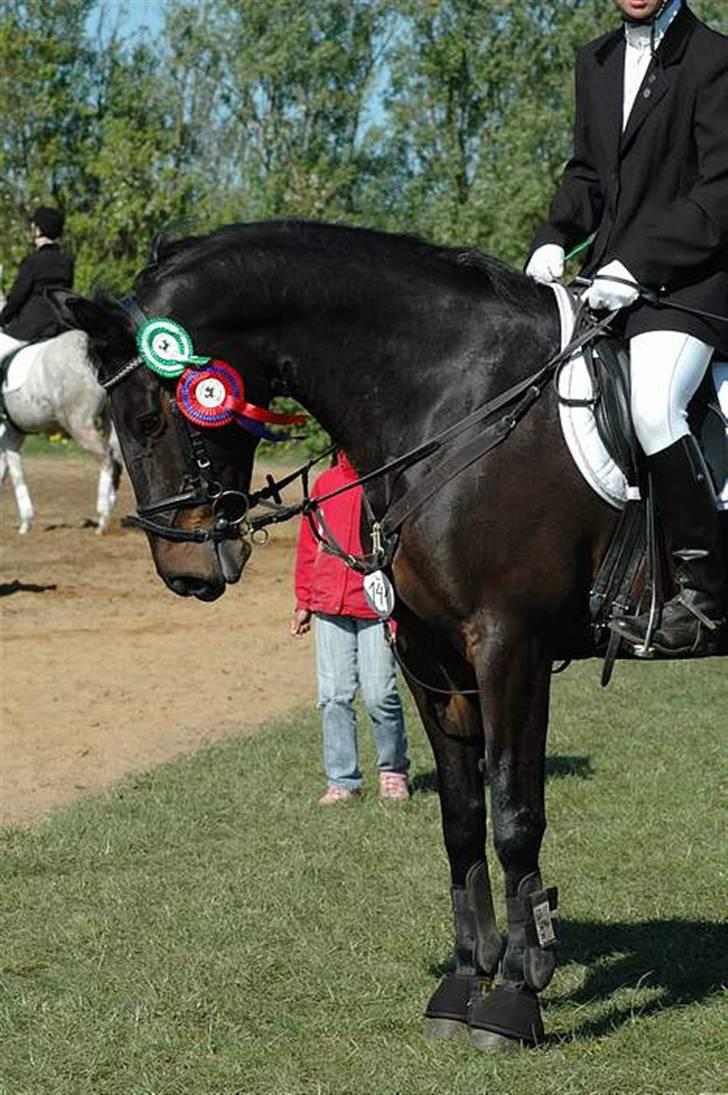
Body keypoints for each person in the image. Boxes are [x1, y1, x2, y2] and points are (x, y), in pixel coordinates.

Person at [525, 0, 728, 656]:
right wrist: (555, 235)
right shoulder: (597, 60)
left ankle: (704, 596)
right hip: (608, 284)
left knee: (652, 407)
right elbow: (588, 173)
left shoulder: (715, 59)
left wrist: (638, 264)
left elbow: (718, 194)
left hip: (689, 288)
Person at [290, 450, 410, 804]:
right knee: (333, 696)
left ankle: (393, 772)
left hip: (375, 607)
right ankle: (342, 781)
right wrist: (303, 601)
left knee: (380, 694)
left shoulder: (385, 483)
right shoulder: (325, 484)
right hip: (329, 604)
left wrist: (397, 614)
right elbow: (309, 545)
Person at [0, 206, 74, 341]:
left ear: (38, 230)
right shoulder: (67, 262)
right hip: (60, 325)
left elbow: (18, 296)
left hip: (32, 326)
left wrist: (3, 318)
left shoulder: (33, 261)